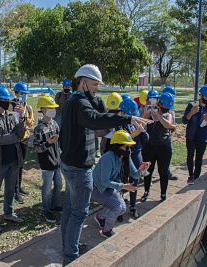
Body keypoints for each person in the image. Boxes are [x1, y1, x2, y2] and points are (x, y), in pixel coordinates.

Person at [60, 64, 151, 265]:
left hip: (69, 164)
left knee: (69, 208)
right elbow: (94, 119)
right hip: (78, 168)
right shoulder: (80, 103)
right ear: (83, 82)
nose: (96, 88)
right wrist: (125, 117)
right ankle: (71, 256)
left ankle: (68, 246)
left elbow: (97, 117)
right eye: (94, 84)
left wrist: (105, 107)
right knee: (79, 212)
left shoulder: (75, 101)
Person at [92, 130, 150, 238]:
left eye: (130, 147)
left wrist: (142, 170)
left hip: (109, 187)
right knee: (118, 207)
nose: (129, 150)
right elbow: (104, 181)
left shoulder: (125, 156)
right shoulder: (108, 158)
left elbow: (135, 175)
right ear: (117, 146)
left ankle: (100, 217)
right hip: (97, 188)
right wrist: (124, 186)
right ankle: (106, 231)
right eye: (126, 147)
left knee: (122, 207)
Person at [0, 85, 26, 233]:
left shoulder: (11, 115)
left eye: (8, 100)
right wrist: (14, 137)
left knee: (10, 189)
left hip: (14, 159)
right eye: (4, 100)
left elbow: (21, 134)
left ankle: (9, 213)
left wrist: (21, 117)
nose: (7, 103)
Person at [141, 92, 176, 202]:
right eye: (164, 106)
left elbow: (169, 125)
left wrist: (159, 116)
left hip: (164, 147)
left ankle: (163, 194)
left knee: (163, 171)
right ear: (159, 103)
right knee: (148, 170)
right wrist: (147, 114)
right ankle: (146, 192)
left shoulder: (168, 114)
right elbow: (140, 122)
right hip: (149, 146)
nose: (165, 108)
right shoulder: (149, 111)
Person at [33, 96, 62, 223]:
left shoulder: (54, 124)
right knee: (47, 189)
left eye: (53, 108)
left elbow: (59, 142)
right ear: (43, 110)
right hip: (47, 164)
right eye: (50, 108)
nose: (52, 110)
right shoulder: (39, 129)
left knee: (59, 185)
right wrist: (48, 143)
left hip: (57, 162)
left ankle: (54, 206)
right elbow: (37, 148)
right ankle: (46, 210)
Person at [182, 84, 207, 185]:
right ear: (201, 95)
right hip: (191, 136)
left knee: (199, 157)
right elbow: (184, 120)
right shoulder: (192, 104)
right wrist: (191, 113)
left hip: (202, 137)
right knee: (190, 155)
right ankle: (191, 175)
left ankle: (196, 176)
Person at [12, 82, 35, 204]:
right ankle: (15, 191)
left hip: (25, 139)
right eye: (22, 93)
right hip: (16, 140)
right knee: (16, 166)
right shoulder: (11, 106)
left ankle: (19, 187)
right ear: (16, 93)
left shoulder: (27, 106)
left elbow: (31, 124)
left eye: (26, 94)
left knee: (21, 165)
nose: (24, 96)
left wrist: (29, 115)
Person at [161, 86, 179, 181]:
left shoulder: (171, 109)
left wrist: (173, 128)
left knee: (168, 154)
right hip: (160, 137)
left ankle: (167, 172)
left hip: (168, 136)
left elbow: (173, 124)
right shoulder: (161, 109)